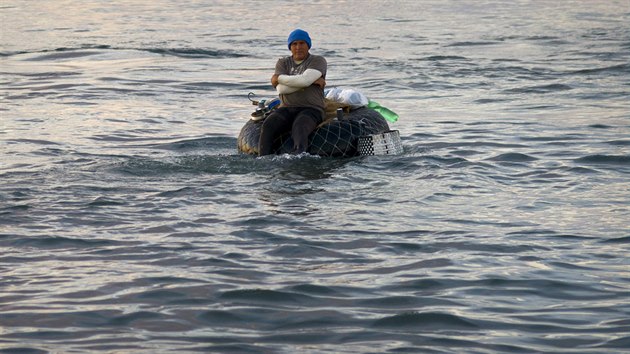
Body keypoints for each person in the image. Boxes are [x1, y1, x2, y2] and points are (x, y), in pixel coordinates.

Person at [258, 29, 327, 156]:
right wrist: (308, 81)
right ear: (290, 47)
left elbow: (304, 81)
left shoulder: (318, 61)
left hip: (312, 109)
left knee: (300, 127)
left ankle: (299, 160)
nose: (298, 47)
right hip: (286, 108)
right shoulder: (283, 63)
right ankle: (262, 159)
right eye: (294, 44)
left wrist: (278, 78)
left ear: (308, 45)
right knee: (268, 125)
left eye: (302, 43)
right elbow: (281, 89)